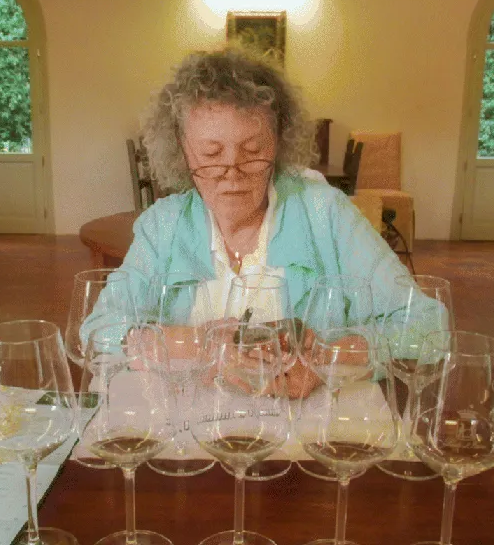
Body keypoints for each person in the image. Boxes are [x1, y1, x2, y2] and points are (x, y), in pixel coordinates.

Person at [89, 46, 421, 398]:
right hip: (186, 439)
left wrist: (327, 358)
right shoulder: (163, 226)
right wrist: (196, 343)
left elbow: (425, 325)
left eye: (252, 151)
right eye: (211, 154)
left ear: (278, 143)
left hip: (311, 439)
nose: (233, 175)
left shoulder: (327, 214)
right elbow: (98, 329)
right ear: (182, 150)